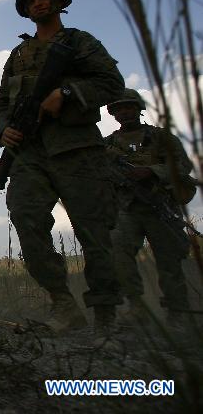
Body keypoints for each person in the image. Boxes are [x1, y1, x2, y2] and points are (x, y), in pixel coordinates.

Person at [0, 0, 125, 333]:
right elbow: (3, 102)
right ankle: (64, 304)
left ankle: (105, 316)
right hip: (30, 154)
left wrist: (66, 94)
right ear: (25, 8)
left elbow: (112, 84)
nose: (39, 2)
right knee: (25, 217)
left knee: (94, 230)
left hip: (77, 149)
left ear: (59, 0)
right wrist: (3, 130)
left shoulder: (80, 43)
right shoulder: (18, 55)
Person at [105, 89, 196, 327]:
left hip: (159, 205)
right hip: (126, 208)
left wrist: (152, 171)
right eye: (119, 109)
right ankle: (136, 308)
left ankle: (178, 312)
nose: (125, 112)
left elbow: (182, 165)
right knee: (118, 253)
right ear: (112, 113)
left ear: (139, 108)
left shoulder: (161, 138)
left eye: (129, 107)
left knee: (169, 261)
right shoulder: (108, 145)